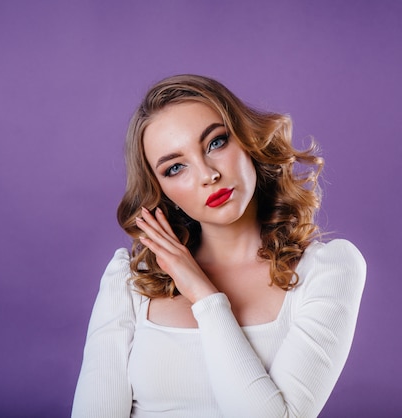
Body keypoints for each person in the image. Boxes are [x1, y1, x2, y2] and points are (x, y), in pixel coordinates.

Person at [72, 74, 366, 418]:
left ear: (247, 140)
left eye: (216, 143)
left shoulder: (329, 269)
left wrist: (204, 295)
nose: (207, 174)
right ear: (162, 191)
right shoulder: (130, 280)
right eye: (176, 167)